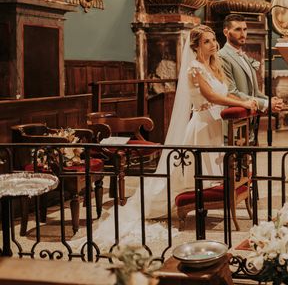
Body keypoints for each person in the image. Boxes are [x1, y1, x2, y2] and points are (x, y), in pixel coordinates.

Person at [84, 25, 257, 245]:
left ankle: (201, 203)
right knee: (191, 173)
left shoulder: (214, 66)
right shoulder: (194, 69)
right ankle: (182, 203)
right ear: (195, 46)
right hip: (201, 127)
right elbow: (211, 97)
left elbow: (225, 92)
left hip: (214, 125)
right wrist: (242, 102)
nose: (213, 44)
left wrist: (246, 101)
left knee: (208, 171)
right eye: (207, 41)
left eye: (213, 40)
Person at [219, 14, 284, 143]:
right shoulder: (222, 57)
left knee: (247, 161)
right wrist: (265, 104)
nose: (243, 34)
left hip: (248, 122)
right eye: (237, 29)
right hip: (233, 124)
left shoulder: (243, 56)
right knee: (233, 161)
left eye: (245, 29)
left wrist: (270, 100)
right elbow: (231, 93)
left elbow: (254, 91)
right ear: (226, 32)